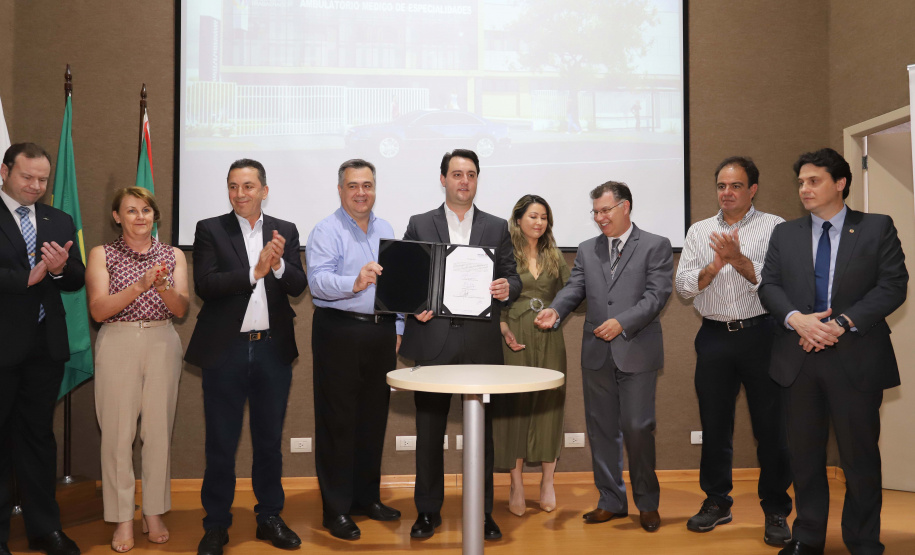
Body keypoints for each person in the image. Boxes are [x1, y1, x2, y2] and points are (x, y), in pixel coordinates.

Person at [759, 148, 907, 555]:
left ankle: (862, 541)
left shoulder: (877, 228)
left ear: (840, 183)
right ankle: (808, 537)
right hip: (798, 358)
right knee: (804, 457)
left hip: (856, 358)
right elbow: (769, 286)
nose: (804, 189)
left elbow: (893, 286)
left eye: (814, 180)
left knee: (859, 458)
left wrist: (839, 324)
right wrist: (797, 319)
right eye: (801, 182)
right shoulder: (784, 233)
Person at [185, 159, 307, 555]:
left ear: (264, 190)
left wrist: (280, 264)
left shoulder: (284, 230)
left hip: (272, 348)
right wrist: (255, 272)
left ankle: (269, 516)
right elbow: (206, 284)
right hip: (227, 350)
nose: (240, 194)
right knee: (221, 442)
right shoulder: (209, 229)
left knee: (269, 441)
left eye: (249, 186)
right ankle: (216, 524)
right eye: (234, 186)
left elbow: (297, 285)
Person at [535, 181, 672, 533]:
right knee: (601, 430)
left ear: (625, 207)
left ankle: (647, 502)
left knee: (638, 428)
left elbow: (656, 296)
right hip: (596, 352)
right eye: (595, 212)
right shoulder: (587, 249)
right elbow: (574, 288)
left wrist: (622, 323)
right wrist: (555, 310)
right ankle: (611, 499)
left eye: (605, 210)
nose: (599, 218)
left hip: (637, 349)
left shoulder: (655, 245)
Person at [399, 149, 521, 541]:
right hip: (432, 340)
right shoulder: (420, 223)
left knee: (481, 435)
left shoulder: (497, 226)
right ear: (443, 179)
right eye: (456, 174)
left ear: (477, 179)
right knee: (429, 431)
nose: (463, 181)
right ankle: (427, 512)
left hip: (480, 344)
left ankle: (483, 512)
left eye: (470, 174)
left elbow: (512, 277)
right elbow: (406, 276)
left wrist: (507, 288)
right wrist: (415, 304)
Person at [675, 156, 792, 546]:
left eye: (736, 186)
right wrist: (714, 267)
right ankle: (716, 501)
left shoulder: (774, 227)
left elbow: (779, 283)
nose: (727, 193)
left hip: (762, 335)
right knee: (715, 425)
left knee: (770, 428)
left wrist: (739, 260)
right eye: (722, 186)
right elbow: (684, 287)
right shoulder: (699, 230)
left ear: (752, 189)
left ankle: (776, 508)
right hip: (714, 337)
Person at [85, 187, 189, 552]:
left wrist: (161, 287)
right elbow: (99, 310)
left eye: (146, 210)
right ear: (117, 217)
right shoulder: (102, 254)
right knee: (117, 436)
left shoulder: (173, 255)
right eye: (131, 211)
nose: (140, 216)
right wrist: (140, 285)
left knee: (159, 432)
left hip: (163, 341)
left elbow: (181, 309)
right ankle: (122, 519)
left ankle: (154, 512)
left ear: (155, 216)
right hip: (118, 342)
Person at [306, 159, 402, 541]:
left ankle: (367, 499)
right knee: (338, 422)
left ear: (375, 188)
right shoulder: (325, 230)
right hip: (339, 332)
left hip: (380, 335)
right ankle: (336, 510)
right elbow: (318, 283)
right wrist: (356, 281)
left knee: (372, 419)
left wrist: (398, 327)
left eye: (367, 185)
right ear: (340, 190)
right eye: (352, 186)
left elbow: (396, 287)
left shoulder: (387, 229)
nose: (361, 192)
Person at [0, 143, 85, 555]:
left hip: (44, 347)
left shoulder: (59, 219)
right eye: (26, 177)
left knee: (38, 439)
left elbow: (76, 278)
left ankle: (44, 528)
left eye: (43, 179)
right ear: (4, 171)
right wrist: (27, 279)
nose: (36, 186)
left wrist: (60, 269)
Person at [491, 194, 570, 516]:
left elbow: (572, 291)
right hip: (514, 335)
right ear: (519, 218)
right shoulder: (505, 252)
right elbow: (491, 294)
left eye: (544, 218)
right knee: (515, 407)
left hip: (550, 336)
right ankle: (516, 482)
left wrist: (558, 309)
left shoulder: (554, 255)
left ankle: (548, 481)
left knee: (549, 405)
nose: (539, 223)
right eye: (533, 216)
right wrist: (502, 326)